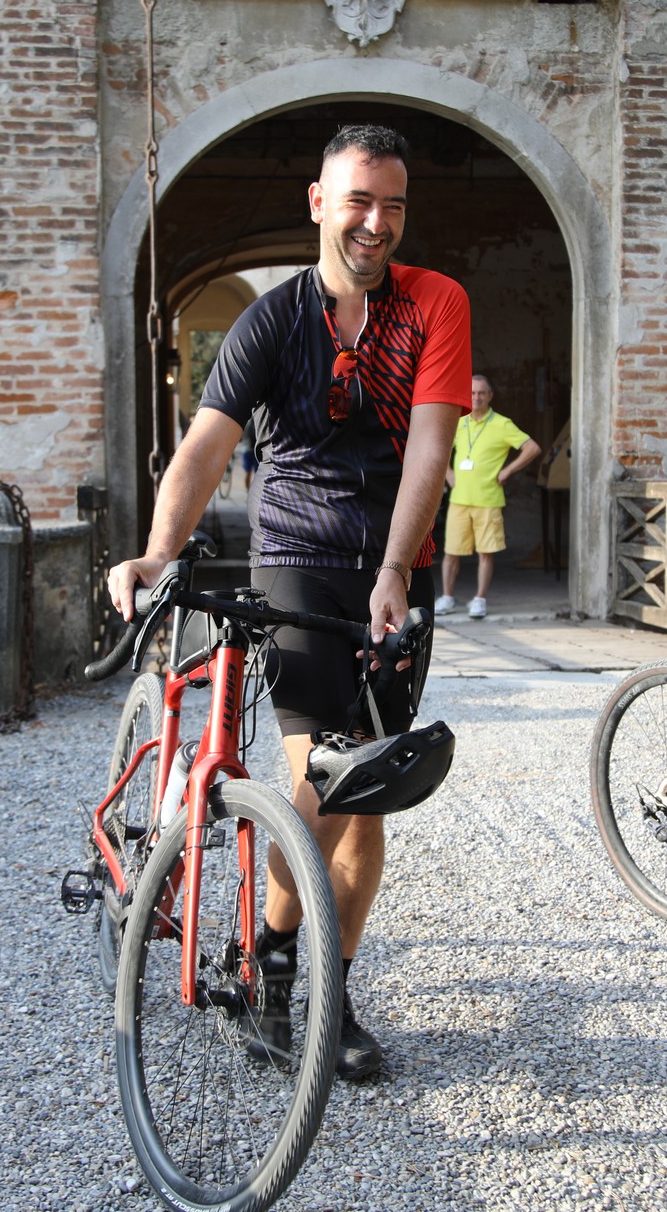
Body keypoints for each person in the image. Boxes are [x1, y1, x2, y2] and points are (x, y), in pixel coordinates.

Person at [105, 125, 471, 1079]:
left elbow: (431, 448)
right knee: (324, 786)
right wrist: (158, 552)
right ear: (318, 203)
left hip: (393, 568)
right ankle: (271, 969)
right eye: (358, 201)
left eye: (393, 206)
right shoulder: (271, 322)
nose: (376, 223)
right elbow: (207, 444)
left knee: (371, 797)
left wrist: (396, 568)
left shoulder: (435, 303)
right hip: (299, 559)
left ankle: (330, 995)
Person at [435, 374, 540, 618]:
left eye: (482, 393)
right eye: (472, 393)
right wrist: (447, 473)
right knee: (451, 552)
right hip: (459, 499)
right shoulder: (459, 421)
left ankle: (480, 599)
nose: (476, 397)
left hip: (488, 500)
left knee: (485, 553)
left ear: (490, 396)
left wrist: (508, 470)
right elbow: (440, 446)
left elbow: (532, 448)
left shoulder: (502, 424)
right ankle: (447, 597)